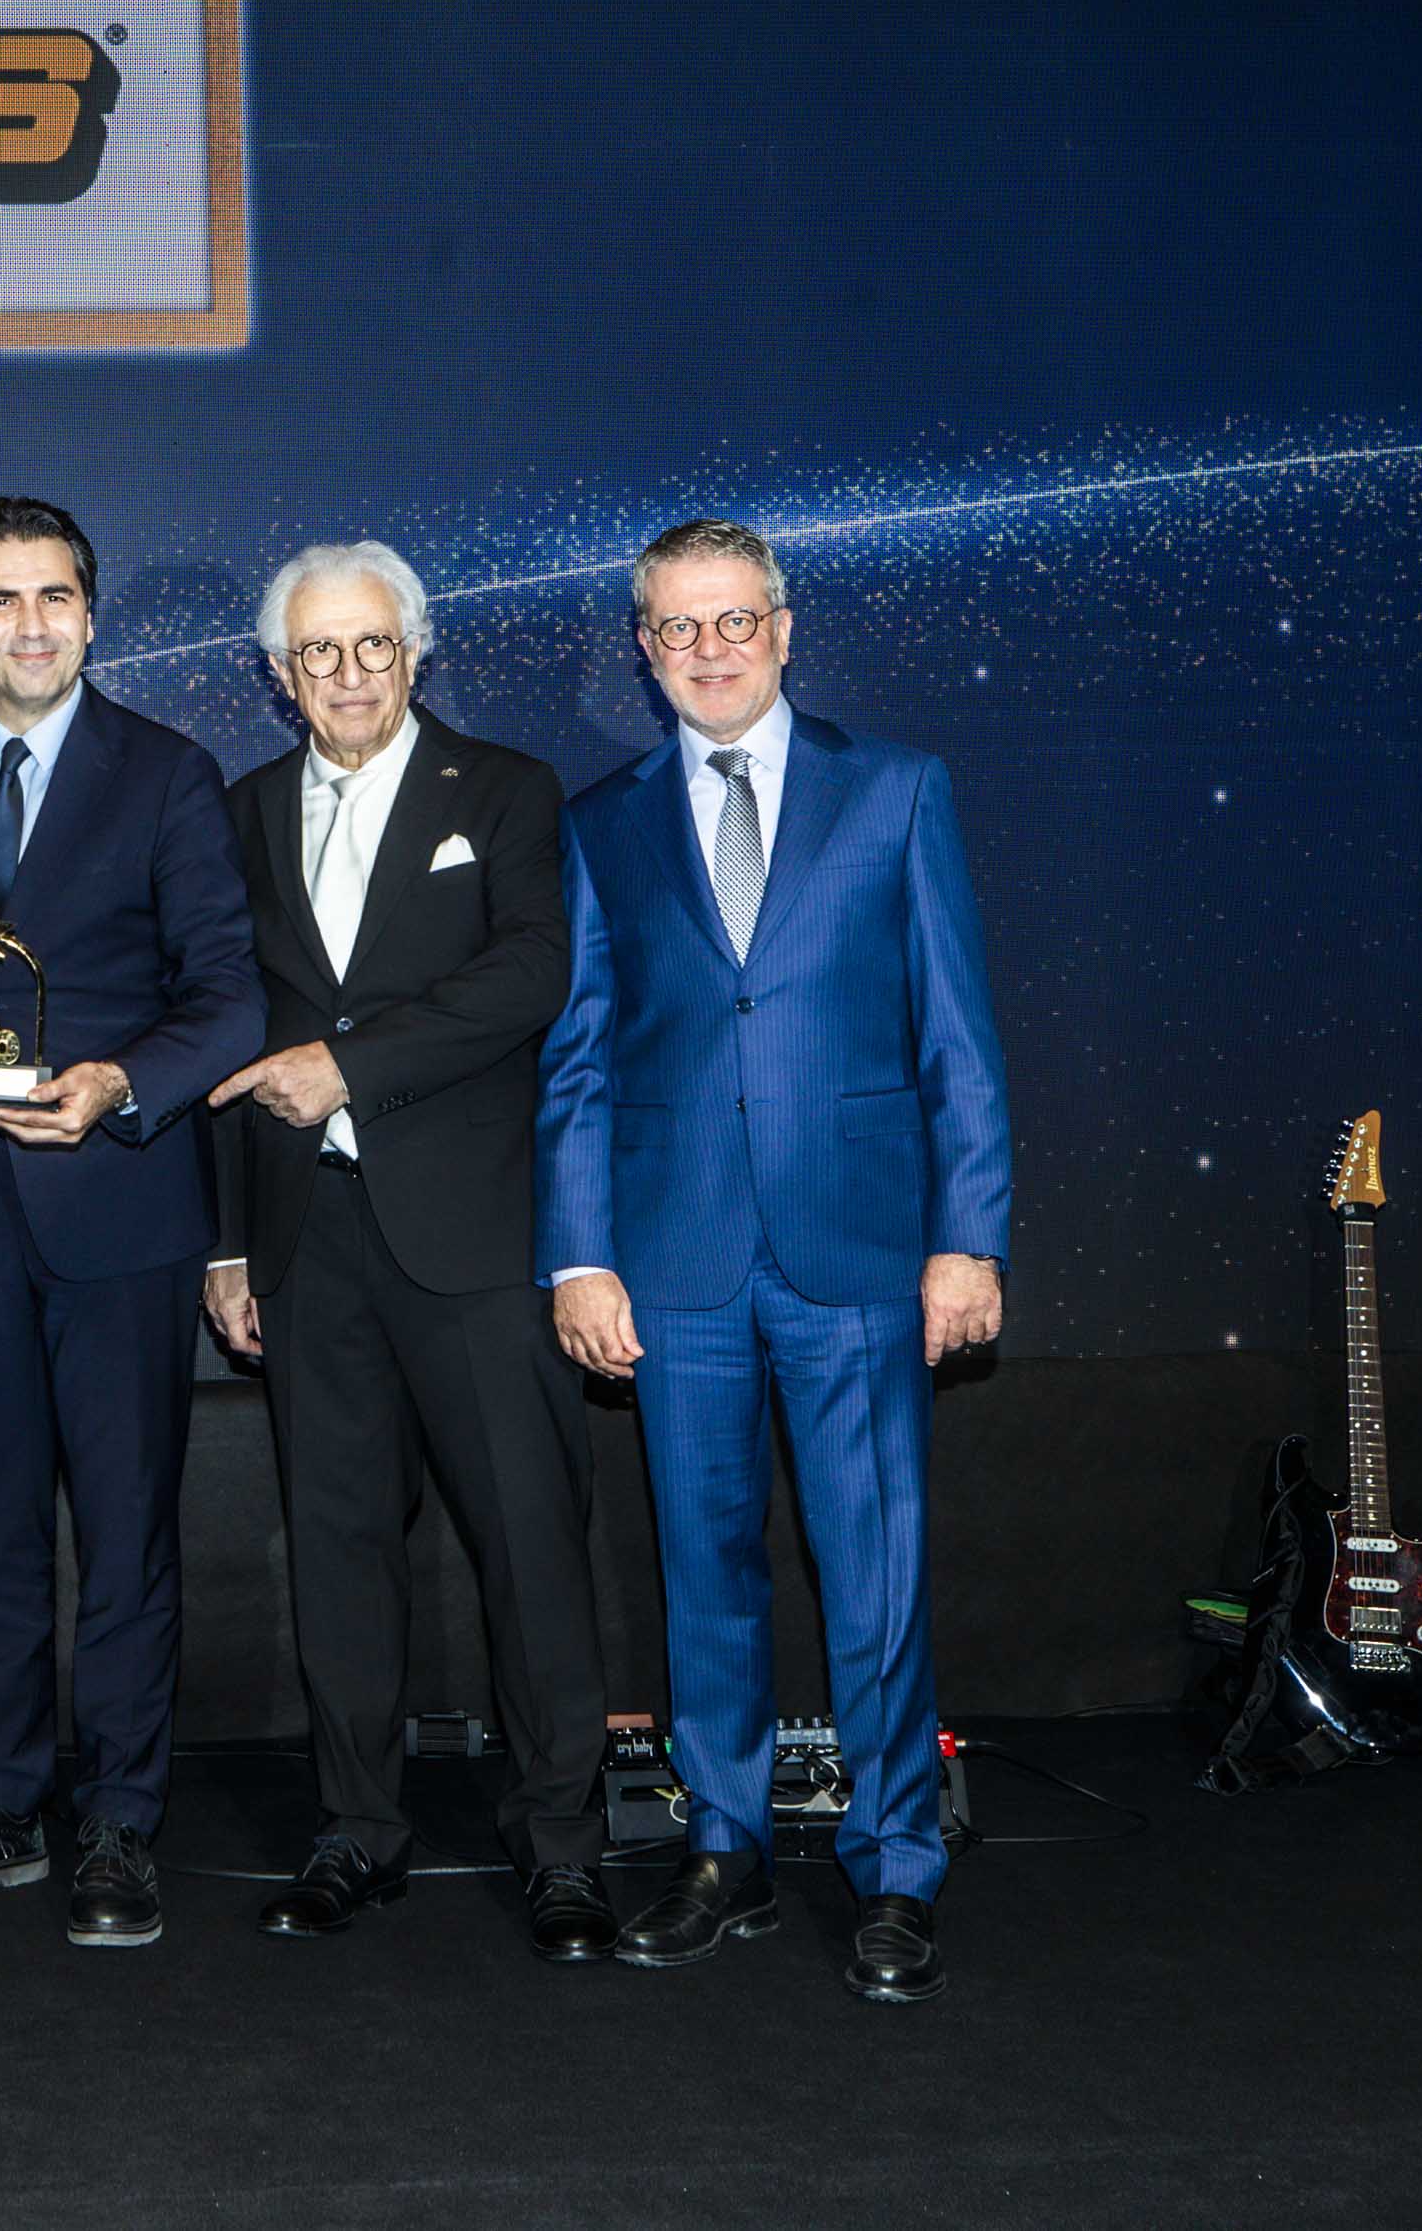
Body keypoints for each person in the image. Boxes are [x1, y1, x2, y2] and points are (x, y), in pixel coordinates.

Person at [534, 518, 1010, 2004]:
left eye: (735, 620)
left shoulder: (898, 790)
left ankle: (897, 1864)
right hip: (674, 1265)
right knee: (706, 1577)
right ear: (645, 648)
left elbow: (958, 1039)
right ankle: (724, 1846)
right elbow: (577, 1060)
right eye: (678, 628)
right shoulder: (601, 822)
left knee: (874, 1577)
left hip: (857, 1254)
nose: (710, 651)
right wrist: (578, 1258)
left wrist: (967, 1237)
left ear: (785, 630)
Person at [199, 541, 615, 1964]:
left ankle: (562, 1844)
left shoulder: (502, 790)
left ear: (417, 652)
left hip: (473, 1239)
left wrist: (351, 1067)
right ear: (279, 675)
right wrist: (226, 1246)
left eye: (372, 645)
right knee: (337, 1551)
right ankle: (357, 1831)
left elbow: (533, 972)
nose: (348, 674)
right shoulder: (242, 811)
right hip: (305, 1240)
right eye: (318, 652)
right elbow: (226, 1023)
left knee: (529, 1546)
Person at [0, 496, 260, 1947]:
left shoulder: (167, 771)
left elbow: (229, 997)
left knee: (129, 1531)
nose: (29, 625)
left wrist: (117, 1086)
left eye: (55, 598)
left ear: (91, 617)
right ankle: (1, 1800)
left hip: (120, 1207)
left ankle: (123, 1819)